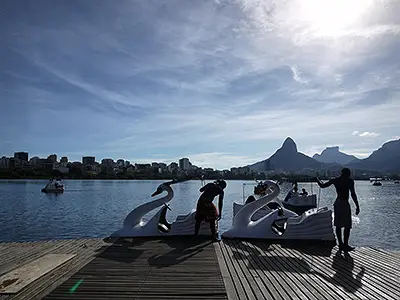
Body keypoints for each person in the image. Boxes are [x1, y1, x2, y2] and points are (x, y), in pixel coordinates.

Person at [315, 168, 360, 252]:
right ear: (347, 173)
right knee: (347, 225)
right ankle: (345, 245)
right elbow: (353, 194)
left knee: (338, 224)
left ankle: (340, 245)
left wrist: (317, 179)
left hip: (338, 203)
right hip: (344, 203)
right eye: (349, 173)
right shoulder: (350, 181)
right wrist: (357, 206)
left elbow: (322, 185)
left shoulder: (335, 180)